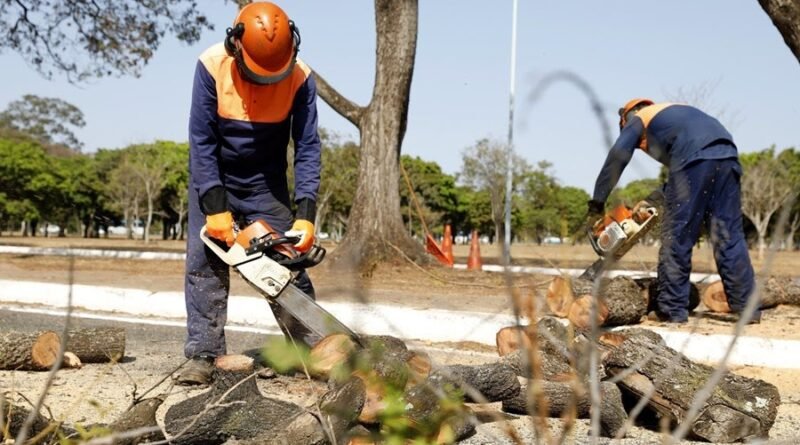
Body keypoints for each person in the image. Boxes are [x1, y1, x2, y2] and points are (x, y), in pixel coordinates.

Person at [178, 2, 322, 385]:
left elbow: (307, 146)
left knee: (286, 261)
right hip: (216, 176)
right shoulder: (211, 65)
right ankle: (204, 353)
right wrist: (214, 205)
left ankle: (314, 350)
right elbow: (201, 141)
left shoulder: (301, 77)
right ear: (235, 46)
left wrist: (305, 212)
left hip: (264, 181)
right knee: (204, 264)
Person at [586, 98, 757, 324]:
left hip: (695, 159)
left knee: (676, 235)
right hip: (727, 154)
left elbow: (617, 157)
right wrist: (652, 200)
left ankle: (672, 308)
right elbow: (691, 179)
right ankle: (747, 308)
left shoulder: (639, 117)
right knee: (729, 236)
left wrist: (597, 204)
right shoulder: (673, 115)